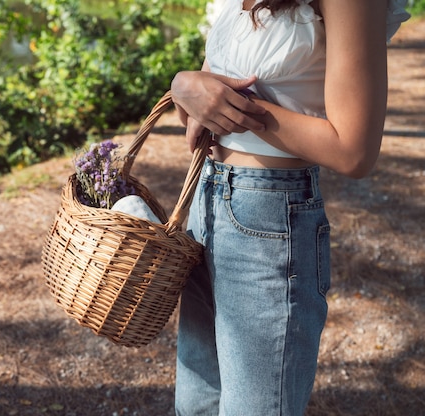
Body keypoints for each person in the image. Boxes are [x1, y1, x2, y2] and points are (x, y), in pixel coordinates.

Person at [170, 0, 410, 415]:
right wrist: (183, 87)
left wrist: (233, 108)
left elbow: (354, 150)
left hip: (269, 217)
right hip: (207, 201)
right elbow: (205, 104)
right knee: (195, 406)